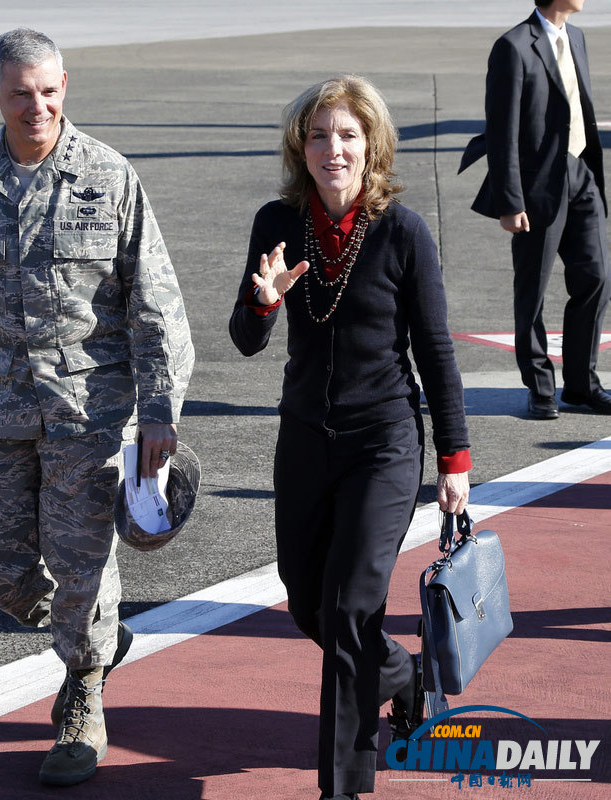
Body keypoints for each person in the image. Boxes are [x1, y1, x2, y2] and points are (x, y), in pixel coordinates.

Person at [0, 28, 194, 787]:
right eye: (21, 92)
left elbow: (154, 299)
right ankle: (94, 630)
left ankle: (83, 691)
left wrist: (160, 407)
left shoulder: (109, 176)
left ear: (66, 88)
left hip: (90, 411)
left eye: (50, 91)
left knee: (81, 560)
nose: (38, 106)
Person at [229, 75, 471, 799]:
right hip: (305, 437)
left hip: (383, 442)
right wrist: (263, 302)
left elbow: (436, 351)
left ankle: (341, 787)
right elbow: (244, 339)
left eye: (346, 135)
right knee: (308, 603)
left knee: (348, 611)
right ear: (298, 148)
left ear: (371, 146)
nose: (331, 149)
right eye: (317, 136)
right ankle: (405, 675)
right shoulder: (278, 222)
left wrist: (454, 458)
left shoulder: (402, 231)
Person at [460, 0, 610, 420]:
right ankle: (541, 386)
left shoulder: (575, 37)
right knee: (534, 290)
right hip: (537, 186)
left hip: (581, 173)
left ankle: (581, 385)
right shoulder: (513, 46)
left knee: (597, 278)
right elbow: (502, 130)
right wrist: (510, 201)